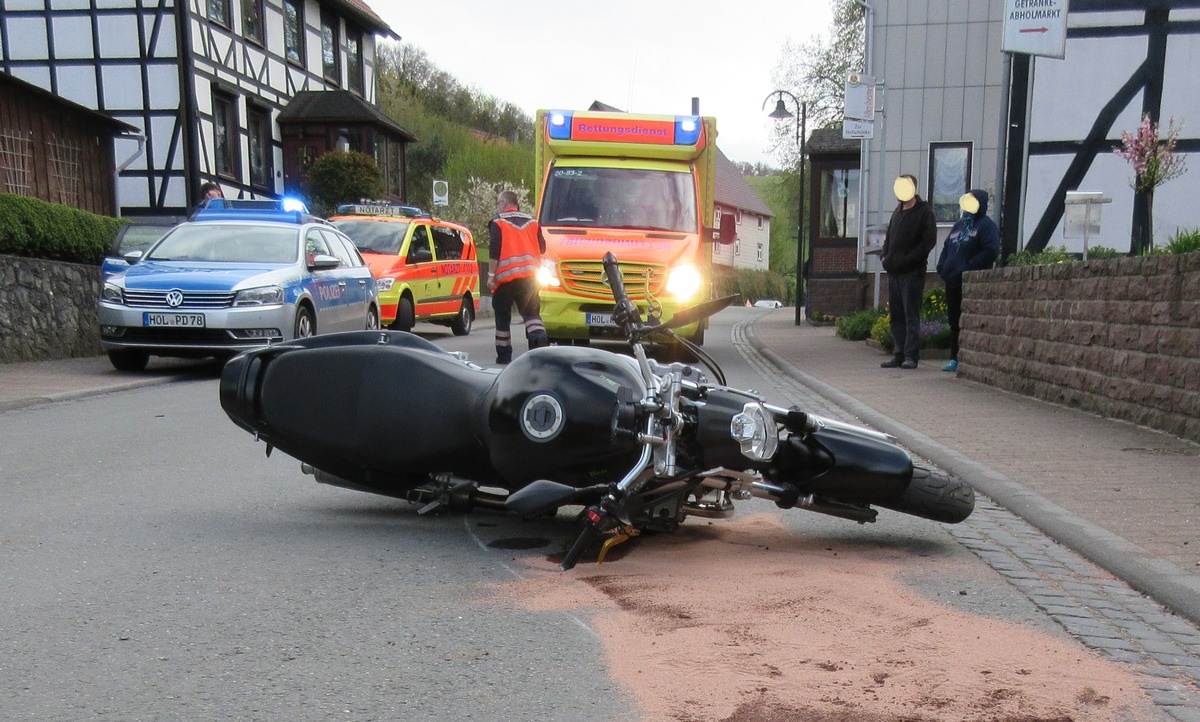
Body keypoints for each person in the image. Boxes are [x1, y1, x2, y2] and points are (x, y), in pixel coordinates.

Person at [936, 189, 1000, 373]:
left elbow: (991, 251)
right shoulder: (959, 225)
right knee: (954, 320)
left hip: (970, 282)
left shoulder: (985, 226)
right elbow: (946, 247)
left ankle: (967, 357)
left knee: (969, 321)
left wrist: (968, 268)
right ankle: (954, 357)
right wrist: (942, 267)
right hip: (952, 280)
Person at [879, 174, 937, 370]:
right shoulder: (897, 212)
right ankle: (899, 353)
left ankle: (911, 355)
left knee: (910, 314)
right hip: (893, 272)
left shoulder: (924, 212)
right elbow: (888, 237)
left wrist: (907, 259)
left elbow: (928, 242)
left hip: (912, 273)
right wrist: (885, 257)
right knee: (896, 315)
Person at [488, 190, 549, 364]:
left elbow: (494, 250)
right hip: (530, 279)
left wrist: (491, 276)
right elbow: (542, 248)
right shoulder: (532, 222)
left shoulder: (498, 222)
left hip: (505, 280)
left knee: (502, 316)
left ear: (504, 203)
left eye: (498, 203)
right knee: (532, 315)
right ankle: (540, 351)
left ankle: (504, 356)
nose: (497, 206)